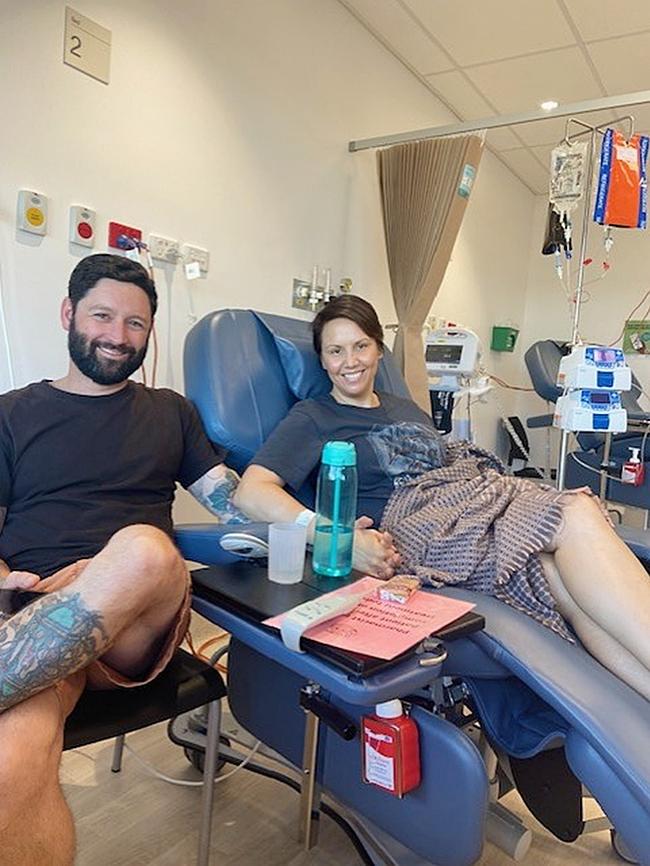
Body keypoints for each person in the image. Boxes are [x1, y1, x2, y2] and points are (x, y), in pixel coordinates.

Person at [234, 294, 650, 702]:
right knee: (574, 511)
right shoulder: (314, 417)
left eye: (361, 346)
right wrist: (335, 536)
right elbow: (251, 492)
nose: (350, 361)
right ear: (323, 361)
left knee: (556, 579)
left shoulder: (405, 407)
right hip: (418, 527)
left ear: (379, 348)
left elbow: (449, 464)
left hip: (465, 500)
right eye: (336, 351)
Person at [0, 254, 244, 866]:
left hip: (136, 616)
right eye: (103, 315)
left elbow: (233, 502)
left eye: (135, 323)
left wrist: (319, 523)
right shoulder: (10, 414)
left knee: (143, 548)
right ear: (68, 314)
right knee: (12, 760)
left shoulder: (171, 412)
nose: (118, 335)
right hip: (31, 622)